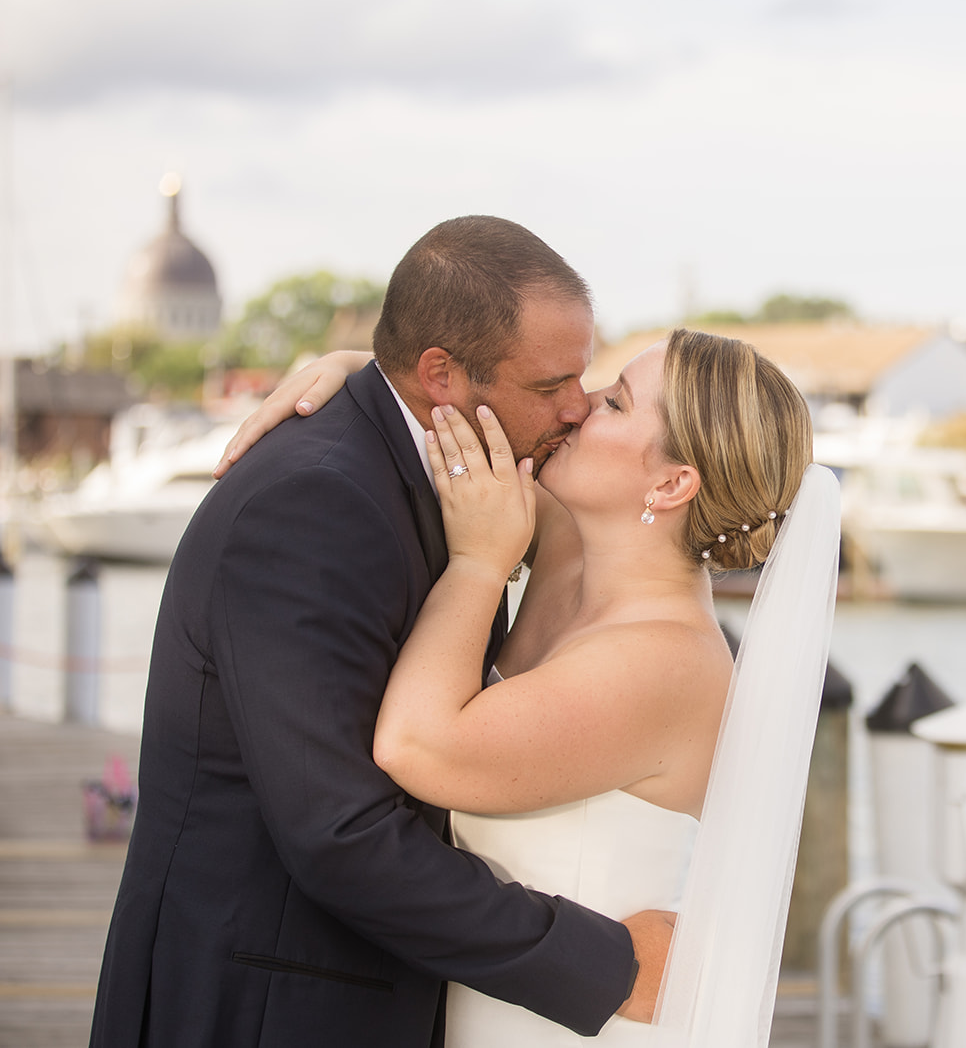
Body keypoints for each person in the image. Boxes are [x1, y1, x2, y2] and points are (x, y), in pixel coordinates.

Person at [91, 217, 673, 1048]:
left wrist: (358, 366)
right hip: (263, 1006)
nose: (575, 406)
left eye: (587, 379)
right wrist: (606, 964)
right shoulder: (314, 504)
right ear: (440, 373)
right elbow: (339, 831)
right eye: (553, 383)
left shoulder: (445, 457)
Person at [221, 323, 839, 1045]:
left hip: (578, 1024)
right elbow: (462, 429)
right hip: (501, 999)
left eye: (614, 403)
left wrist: (479, 565)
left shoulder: (664, 663)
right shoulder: (576, 544)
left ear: (672, 483)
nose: (577, 408)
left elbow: (418, 745)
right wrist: (362, 370)